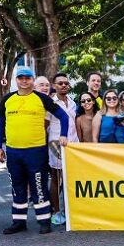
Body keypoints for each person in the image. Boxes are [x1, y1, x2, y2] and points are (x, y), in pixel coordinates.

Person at [0, 67, 69, 235]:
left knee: (39, 186)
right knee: (17, 187)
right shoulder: (7, 99)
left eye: (28, 78)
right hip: (13, 152)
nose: (24, 81)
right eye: (21, 78)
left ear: (32, 80)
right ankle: (18, 222)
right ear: (16, 80)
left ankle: (44, 221)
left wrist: (63, 135)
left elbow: (63, 117)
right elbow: (0, 123)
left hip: (36, 151)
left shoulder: (41, 98)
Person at [46, 73, 79, 225]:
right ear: (54, 86)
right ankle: (56, 211)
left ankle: (69, 210)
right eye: (60, 83)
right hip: (56, 145)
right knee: (57, 178)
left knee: (71, 178)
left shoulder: (73, 103)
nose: (64, 85)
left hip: (73, 144)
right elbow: (44, 126)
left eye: (66, 83)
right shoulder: (50, 104)